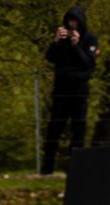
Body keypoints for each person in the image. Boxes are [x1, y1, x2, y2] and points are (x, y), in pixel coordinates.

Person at [42, 5, 98, 173]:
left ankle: (76, 170)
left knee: (78, 130)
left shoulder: (90, 39)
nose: (72, 24)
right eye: (69, 21)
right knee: (54, 129)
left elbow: (88, 63)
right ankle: (47, 169)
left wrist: (76, 45)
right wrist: (56, 41)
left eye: (75, 21)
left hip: (79, 92)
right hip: (61, 91)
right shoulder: (62, 40)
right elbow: (50, 58)